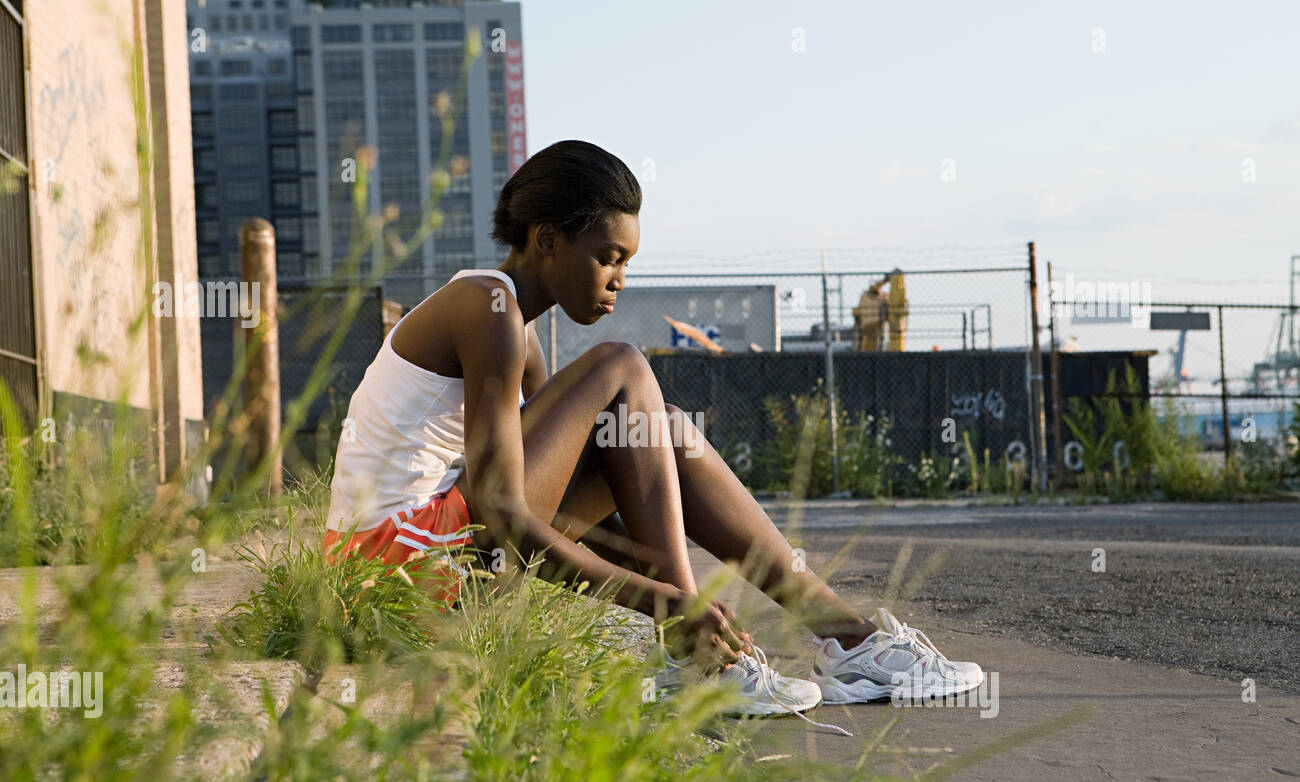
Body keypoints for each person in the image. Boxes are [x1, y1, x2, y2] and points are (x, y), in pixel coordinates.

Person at [322, 140, 983, 719]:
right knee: (623, 364)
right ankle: (712, 658)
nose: (619, 282)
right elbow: (501, 511)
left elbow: (545, 522)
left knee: (654, 430)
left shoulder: (516, 337)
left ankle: (836, 639)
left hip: (439, 569)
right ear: (548, 239)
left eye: (628, 263)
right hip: (394, 574)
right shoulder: (486, 307)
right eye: (608, 257)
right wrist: (663, 602)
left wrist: (664, 599)